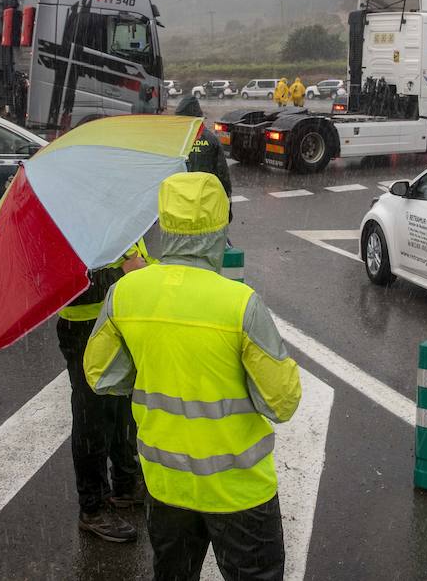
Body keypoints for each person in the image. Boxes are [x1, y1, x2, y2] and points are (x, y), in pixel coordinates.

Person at [86, 173, 302, 581]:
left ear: (164, 224)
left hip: (167, 484)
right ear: (220, 226)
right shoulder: (240, 305)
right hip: (238, 490)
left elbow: (100, 374)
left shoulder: (127, 293)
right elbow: (282, 402)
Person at [58, 242, 149, 543]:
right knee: (92, 418)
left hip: (119, 318)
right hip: (85, 327)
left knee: (122, 406)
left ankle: (126, 481)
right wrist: (121, 273)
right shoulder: (64, 215)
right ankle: (93, 506)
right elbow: (64, 283)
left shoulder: (106, 205)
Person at [175, 95, 232, 200]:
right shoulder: (211, 139)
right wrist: (227, 199)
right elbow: (222, 173)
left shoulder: (173, 140)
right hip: (205, 199)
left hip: (179, 201)